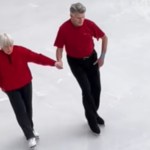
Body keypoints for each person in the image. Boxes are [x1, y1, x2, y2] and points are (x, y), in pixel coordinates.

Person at [0, 33, 62, 148]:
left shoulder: (20, 51)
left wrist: (54, 63)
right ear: (1, 46)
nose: (9, 49)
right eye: (5, 46)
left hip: (26, 84)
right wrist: (2, 86)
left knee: (28, 107)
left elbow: (36, 57)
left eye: (10, 45)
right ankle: (29, 136)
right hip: (11, 89)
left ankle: (31, 129)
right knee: (20, 111)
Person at [54, 2, 108, 134]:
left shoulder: (89, 24)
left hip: (92, 59)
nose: (81, 20)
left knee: (96, 88)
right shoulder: (64, 28)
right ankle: (91, 119)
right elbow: (60, 47)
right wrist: (59, 60)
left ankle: (94, 112)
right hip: (75, 62)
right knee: (86, 89)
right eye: (78, 18)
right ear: (71, 15)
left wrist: (102, 56)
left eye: (83, 17)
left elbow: (104, 37)